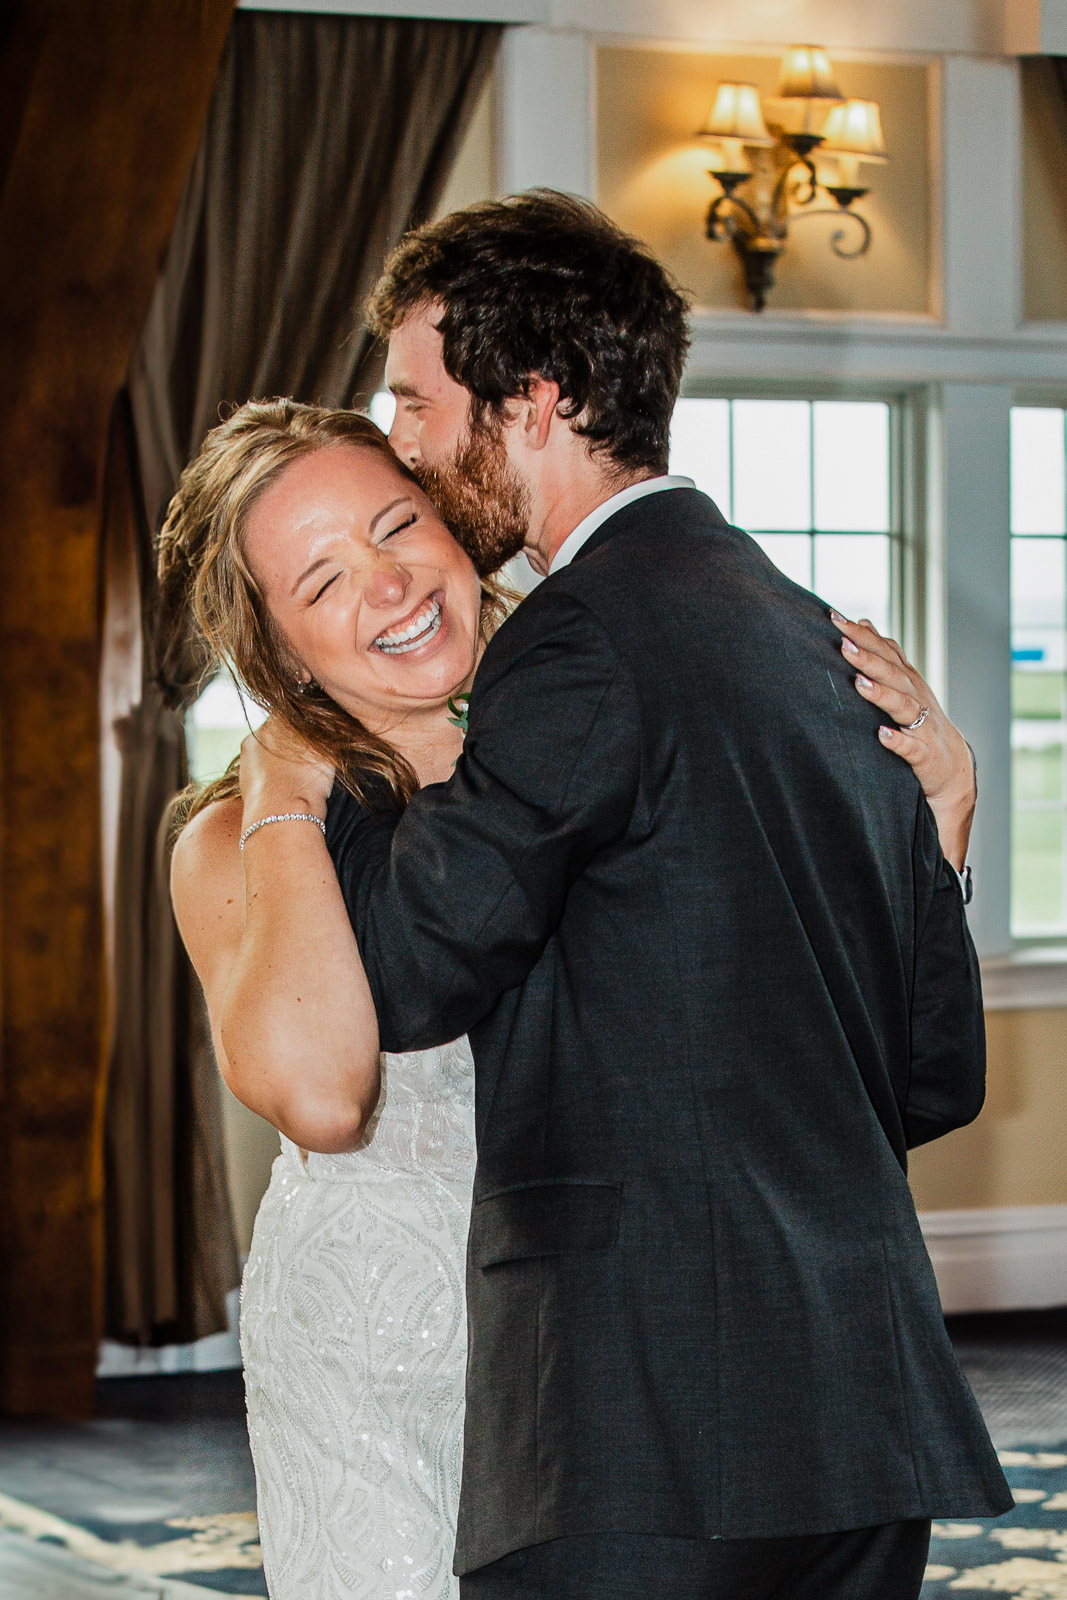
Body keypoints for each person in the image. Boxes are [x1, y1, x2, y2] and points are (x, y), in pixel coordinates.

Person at [240, 191, 1012, 1600]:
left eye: (416, 402)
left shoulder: (583, 636)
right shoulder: (814, 637)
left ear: (532, 402)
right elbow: (930, 1077)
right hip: (857, 1427)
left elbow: (409, 978)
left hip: (654, 1438)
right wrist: (942, 826)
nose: (403, 438)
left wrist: (309, 753)